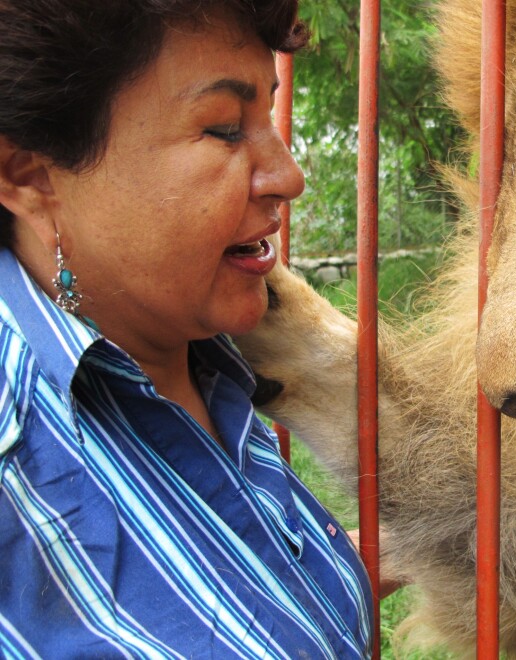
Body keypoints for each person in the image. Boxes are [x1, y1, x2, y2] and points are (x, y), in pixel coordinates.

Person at [0, 1, 376, 656]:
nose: (290, 177)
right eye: (226, 130)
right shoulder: (18, 453)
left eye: (268, 114)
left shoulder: (204, 353)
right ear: (30, 177)